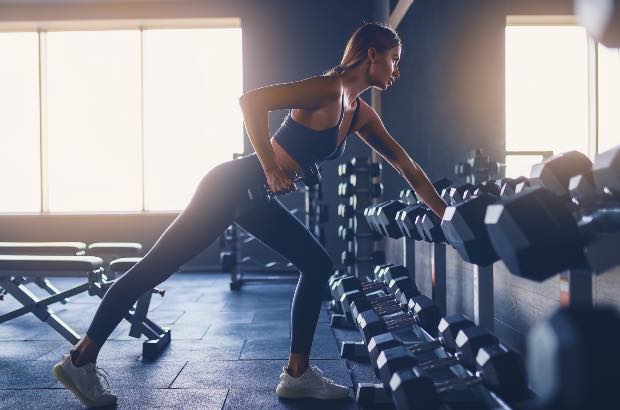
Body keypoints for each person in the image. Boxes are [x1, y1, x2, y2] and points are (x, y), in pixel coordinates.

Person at [51, 22, 447, 407]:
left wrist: (447, 217)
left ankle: (297, 375)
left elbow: (407, 166)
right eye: (394, 59)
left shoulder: (358, 111)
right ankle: (79, 360)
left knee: (317, 264)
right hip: (230, 185)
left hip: (254, 197)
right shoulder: (329, 88)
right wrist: (271, 167)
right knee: (155, 268)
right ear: (372, 55)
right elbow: (251, 101)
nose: (397, 69)